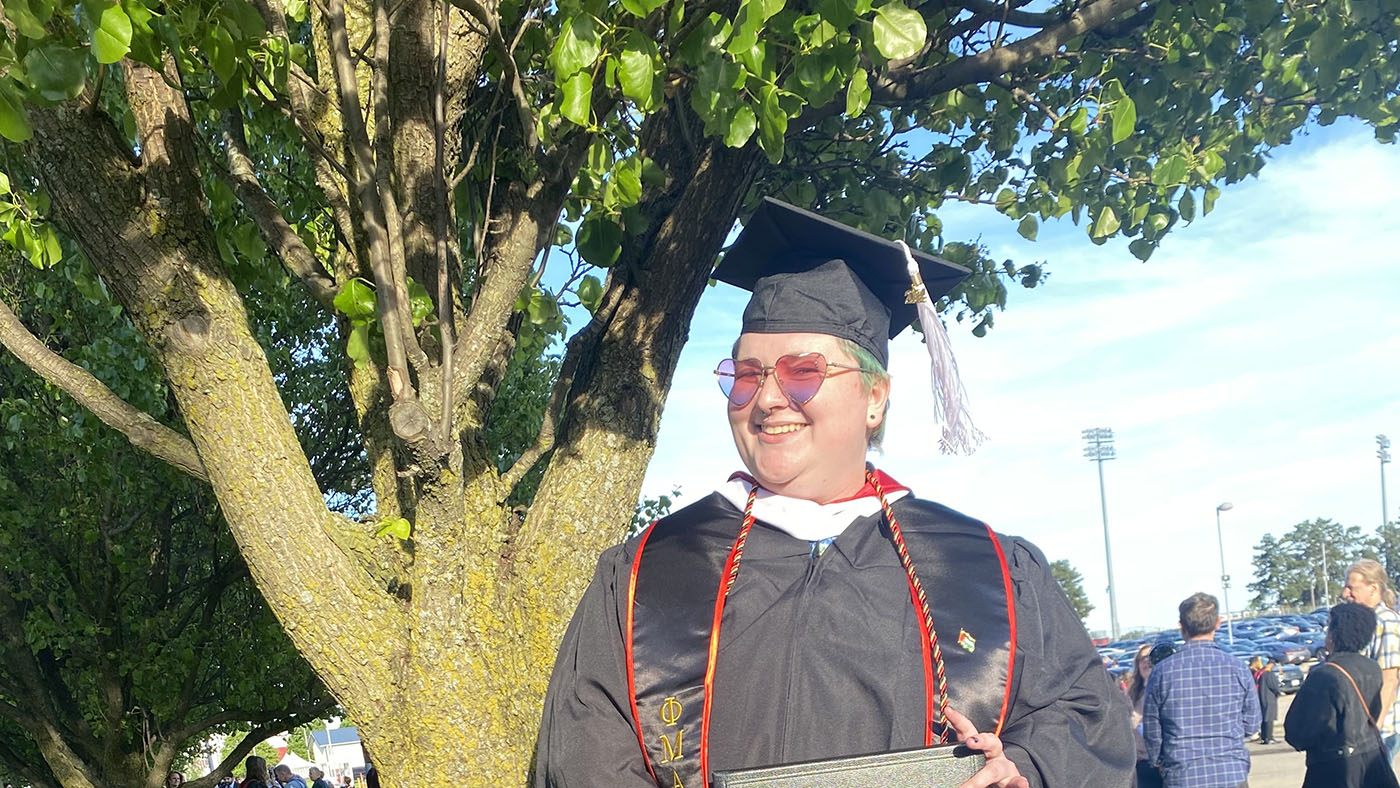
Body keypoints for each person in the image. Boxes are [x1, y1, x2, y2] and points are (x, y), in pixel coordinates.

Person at [532, 198, 1136, 788]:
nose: (767, 399)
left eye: (803, 372)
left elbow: (1088, 726)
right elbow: (582, 757)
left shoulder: (991, 572)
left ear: (875, 397)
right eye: (745, 375)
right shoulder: (647, 575)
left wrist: (1023, 770)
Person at [1142, 592, 1260, 788]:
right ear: (1218, 623)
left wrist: (1157, 761)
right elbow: (1252, 723)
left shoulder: (1162, 672)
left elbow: (1153, 731)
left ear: (1181, 625)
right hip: (1230, 773)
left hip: (1182, 775)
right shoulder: (1237, 668)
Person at [1284, 602, 1400, 788]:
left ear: (1336, 633)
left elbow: (1297, 732)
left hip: (1334, 770)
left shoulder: (1324, 675)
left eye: (1329, 627)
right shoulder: (1372, 668)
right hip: (1372, 764)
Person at [1343, 558, 1400, 760]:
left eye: (1351, 588)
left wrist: (1374, 727)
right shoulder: (1363, 621)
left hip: (1380, 730)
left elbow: (1390, 679)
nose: (1345, 594)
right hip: (1359, 725)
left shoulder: (1386, 621)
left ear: (1373, 588)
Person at [1127, 643, 1163, 788]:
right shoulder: (1132, 695)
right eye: (1142, 659)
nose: (1147, 661)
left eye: (1150, 657)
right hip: (1142, 764)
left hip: (1164, 764)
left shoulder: (1166, 689)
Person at [1251, 657, 1281, 745]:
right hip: (1269, 698)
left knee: (1264, 718)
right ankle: (1269, 737)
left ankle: (1264, 737)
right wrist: (1277, 692)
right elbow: (1273, 686)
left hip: (1261, 697)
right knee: (1269, 718)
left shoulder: (1259, 673)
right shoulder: (1268, 674)